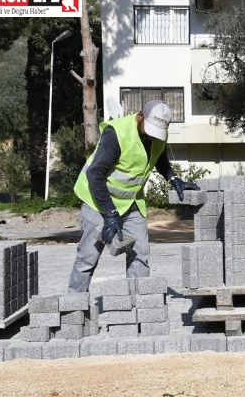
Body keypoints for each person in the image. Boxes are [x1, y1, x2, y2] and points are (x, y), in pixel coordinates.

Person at [68, 100, 200, 293]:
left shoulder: (158, 133)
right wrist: (110, 214)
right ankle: (74, 309)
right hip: (98, 200)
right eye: (148, 132)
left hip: (131, 202)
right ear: (140, 117)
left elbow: (159, 157)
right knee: (88, 257)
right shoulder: (117, 134)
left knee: (140, 254)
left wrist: (173, 178)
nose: (150, 137)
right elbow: (94, 174)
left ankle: (138, 307)